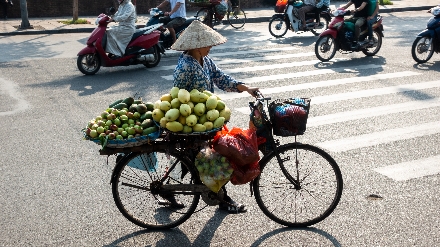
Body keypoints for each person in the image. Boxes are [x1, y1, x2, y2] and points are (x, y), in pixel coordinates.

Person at [170, 20, 260, 213]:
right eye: (208, 44)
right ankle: (223, 200)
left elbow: (221, 78)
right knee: (214, 159)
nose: (210, 47)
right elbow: (177, 97)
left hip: (206, 119)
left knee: (189, 159)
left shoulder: (205, 60)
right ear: (198, 45)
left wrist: (245, 88)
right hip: (193, 121)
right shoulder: (185, 66)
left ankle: (171, 190)